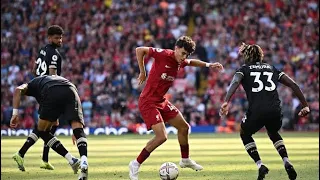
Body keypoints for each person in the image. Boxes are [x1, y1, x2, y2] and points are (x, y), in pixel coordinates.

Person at [129, 36, 224, 180]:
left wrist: (209, 65)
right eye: (183, 53)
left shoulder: (180, 61)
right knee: (162, 137)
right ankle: (135, 164)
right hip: (148, 101)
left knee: (184, 127)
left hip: (161, 101)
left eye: (186, 54)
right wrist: (142, 71)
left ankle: (185, 160)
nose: (184, 57)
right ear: (176, 48)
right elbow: (140, 50)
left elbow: (192, 62)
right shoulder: (164, 54)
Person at [219, 42, 310, 180]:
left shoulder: (243, 69)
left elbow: (235, 82)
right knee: (273, 132)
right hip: (275, 110)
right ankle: (286, 161)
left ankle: (260, 164)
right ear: (260, 55)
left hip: (256, 110)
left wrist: (226, 101)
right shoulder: (271, 68)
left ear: (247, 56)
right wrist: (305, 105)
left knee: (245, 133)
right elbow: (293, 84)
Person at [10, 75, 88, 180]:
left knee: (42, 131)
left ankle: (71, 160)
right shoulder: (49, 79)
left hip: (52, 91)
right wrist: (76, 129)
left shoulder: (31, 85)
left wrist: (15, 114)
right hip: (71, 88)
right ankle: (83, 161)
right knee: (78, 130)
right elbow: (56, 121)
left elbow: (18, 90)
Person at [12, 25, 64, 170]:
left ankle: (44, 159)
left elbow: (34, 69)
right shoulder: (54, 54)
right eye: (56, 37)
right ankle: (22, 153)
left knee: (53, 124)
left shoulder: (43, 50)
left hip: (39, 86)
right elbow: (53, 75)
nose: (59, 40)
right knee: (44, 127)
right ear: (49, 38)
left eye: (60, 37)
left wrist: (38, 83)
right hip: (48, 90)